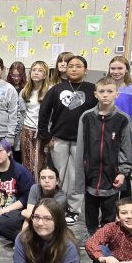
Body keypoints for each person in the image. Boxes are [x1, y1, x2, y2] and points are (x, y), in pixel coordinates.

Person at [37, 55, 97, 225]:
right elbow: (44, 113)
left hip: (82, 141)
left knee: (77, 176)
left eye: (78, 66)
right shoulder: (56, 89)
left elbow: (97, 116)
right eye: (70, 66)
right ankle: (58, 206)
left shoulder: (92, 89)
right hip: (59, 140)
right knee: (59, 175)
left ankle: (73, 209)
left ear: (85, 70)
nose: (74, 69)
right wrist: (45, 136)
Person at [74, 77, 132, 239]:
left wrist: (123, 172)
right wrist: (81, 175)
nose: (105, 95)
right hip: (91, 175)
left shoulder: (123, 119)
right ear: (95, 94)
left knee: (110, 211)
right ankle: (92, 235)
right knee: (90, 210)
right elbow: (81, 148)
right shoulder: (86, 117)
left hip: (112, 176)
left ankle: (107, 237)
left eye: (109, 91)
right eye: (101, 91)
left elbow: (127, 148)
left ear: (117, 94)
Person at [108, 56, 132, 199]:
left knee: (124, 173)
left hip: (127, 136)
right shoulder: (105, 88)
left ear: (127, 70)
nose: (116, 71)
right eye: (113, 68)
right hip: (108, 136)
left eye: (120, 68)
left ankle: (124, 205)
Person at [19, 60, 50, 177]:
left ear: (45, 75)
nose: (36, 73)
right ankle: (28, 186)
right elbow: (21, 113)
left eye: (40, 70)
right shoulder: (25, 91)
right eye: (33, 70)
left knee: (38, 164)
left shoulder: (50, 91)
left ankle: (38, 187)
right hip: (27, 129)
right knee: (26, 162)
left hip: (41, 132)